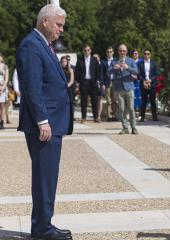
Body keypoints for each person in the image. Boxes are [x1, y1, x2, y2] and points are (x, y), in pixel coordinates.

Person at [16, 4, 73, 239]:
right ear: (45, 21)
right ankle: (42, 229)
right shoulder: (31, 45)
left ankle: (43, 223)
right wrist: (42, 120)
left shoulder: (43, 45)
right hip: (44, 125)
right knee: (44, 177)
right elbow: (32, 87)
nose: (61, 29)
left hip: (51, 122)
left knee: (47, 177)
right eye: (59, 25)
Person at [109, 44, 139, 134]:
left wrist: (128, 68)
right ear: (118, 51)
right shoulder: (114, 61)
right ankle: (125, 128)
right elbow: (107, 72)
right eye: (120, 51)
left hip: (129, 88)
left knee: (131, 108)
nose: (122, 52)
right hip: (118, 88)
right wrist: (114, 68)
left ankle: (134, 127)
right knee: (121, 110)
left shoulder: (130, 60)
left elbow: (136, 71)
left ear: (126, 52)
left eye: (124, 51)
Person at [76, 44, 100, 123]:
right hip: (84, 82)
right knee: (83, 101)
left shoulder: (94, 60)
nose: (87, 52)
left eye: (88, 50)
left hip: (93, 82)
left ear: (90, 51)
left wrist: (97, 80)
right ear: (83, 51)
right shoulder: (80, 60)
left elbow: (97, 71)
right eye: (85, 50)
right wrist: (79, 81)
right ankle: (83, 117)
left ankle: (96, 117)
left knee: (94, 101)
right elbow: (77, 71)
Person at [138, 48, 158, 122]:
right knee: (143, 101)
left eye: (148, 54)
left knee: (153, 101)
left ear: (150, 55)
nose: (146, 55)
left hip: (152, 85)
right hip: (143, 84)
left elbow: (156, 75)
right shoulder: (140, 64)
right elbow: (138, 75)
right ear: (143, 55)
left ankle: (154, 117)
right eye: (145, 54)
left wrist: (150, 80)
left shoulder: (154, 64)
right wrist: (143, 81)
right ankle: (142, 117)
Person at [100, 46, 117, 121]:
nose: (109, 53)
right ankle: (109, 116)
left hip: (115, 82)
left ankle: (114, 115)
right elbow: (101, 74)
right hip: (107, 82)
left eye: (110, 51)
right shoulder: (103, 62)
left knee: (115, 100)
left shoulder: (116, 61)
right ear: (106, 53)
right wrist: (102, 83)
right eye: (108, 52)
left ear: (113, 52)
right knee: (108, 100)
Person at [61, 56, 75, 122]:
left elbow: (72, 81)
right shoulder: (59, 70)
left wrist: (66, 86)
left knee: (71, 103)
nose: (64, 63)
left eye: (65, 61)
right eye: (62, 61)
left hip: (69, 88)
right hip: (61, 89)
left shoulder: (71, 70)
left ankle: (71, 116)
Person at [92, 53, 104, 122]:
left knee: (100, 99)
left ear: (99, 58)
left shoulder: (102, 64)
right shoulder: (92, 65)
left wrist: (103, 83)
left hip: (101, 84)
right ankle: (95, 115)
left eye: (96, 58)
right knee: (94, 100)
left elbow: (104, 74)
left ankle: (98, 115)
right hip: (93, 84)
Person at [131, 49, 142, 113]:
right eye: (134, 53)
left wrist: (137, 77)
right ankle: (134, 112)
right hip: (131, 82)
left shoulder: (141, 62)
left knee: (140, 97)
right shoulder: (130, 62)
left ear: (138, 54)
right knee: (133, 97)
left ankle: (141, 113)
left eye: (136, 53)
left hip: (139, 81)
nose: (135, 55)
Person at [0, 53, 9, 129]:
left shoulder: (5, 67)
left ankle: (2, 122)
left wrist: (2, 88)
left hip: (3, 89)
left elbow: (6, 79)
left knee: (2, 106)